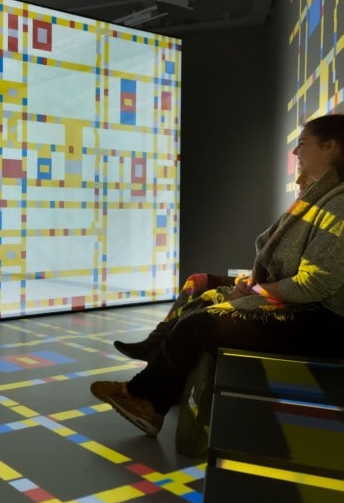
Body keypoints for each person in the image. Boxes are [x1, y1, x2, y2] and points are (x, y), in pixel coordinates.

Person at [92, 113, 344, 437]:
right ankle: (156, 362)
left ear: (330, 147)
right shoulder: (317, 198)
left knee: (200, 323)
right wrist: (252, 283)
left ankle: (147, 400)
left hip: (323, 321)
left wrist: (257, 291)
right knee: (200, 286)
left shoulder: (336, 205)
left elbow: (316, 283)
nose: (296, 153)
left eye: (304, 144)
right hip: (296, 301)